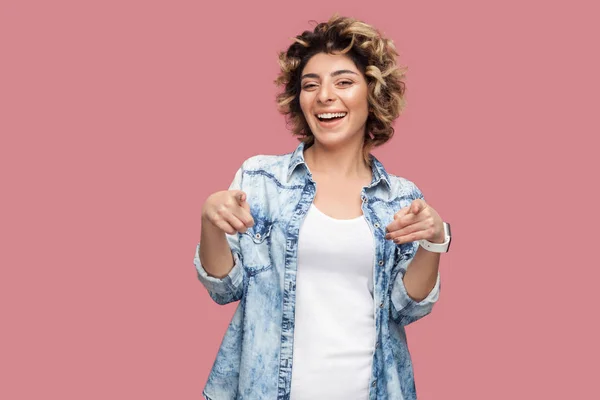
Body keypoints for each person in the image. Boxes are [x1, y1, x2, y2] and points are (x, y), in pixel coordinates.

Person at [194, 14, 451, 400]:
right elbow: (224, 288)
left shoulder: (400, 197)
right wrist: (209, 220)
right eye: (310, 85)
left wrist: (434, 239)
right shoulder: (261, 179)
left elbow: (406, 309)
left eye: (344, 82)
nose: (325, 96)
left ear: (373, 93)